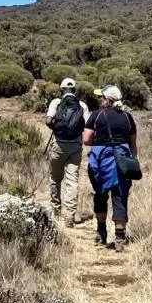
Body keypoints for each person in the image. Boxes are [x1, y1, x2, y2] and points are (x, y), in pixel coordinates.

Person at [84, 85, 138, 250]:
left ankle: (101, 233)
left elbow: (86, 140)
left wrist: (100, 141)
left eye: (101, 97)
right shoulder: (128, 117)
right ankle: (120, 238)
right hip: (122, 159)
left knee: (100, 195)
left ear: (107, 99)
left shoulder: (96, 115)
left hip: (101, 160)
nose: (99, 100)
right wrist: (131, 161)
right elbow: (133, 144)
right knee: (120, 196)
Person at [43, 78, 91, 225]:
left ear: (62, 89)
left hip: (58, 145)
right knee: (72, 182)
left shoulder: (55, 103)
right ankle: (69, 217)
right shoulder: (82, 105)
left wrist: (58, 130)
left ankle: (56, 211)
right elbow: (87, 124)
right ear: (74, 90)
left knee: (55, 179)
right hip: (75, 146)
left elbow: (48, 121)